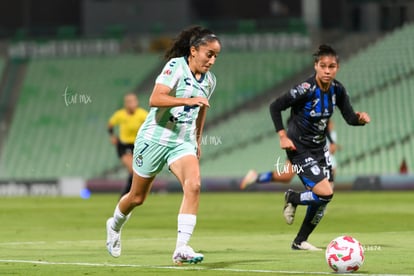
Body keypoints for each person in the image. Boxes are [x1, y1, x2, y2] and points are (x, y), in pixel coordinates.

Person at [106, 25, 221, 264]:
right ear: (193, 51)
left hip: (182, 142)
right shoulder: (175, 66)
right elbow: (155, 99)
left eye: (216, 56)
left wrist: (197, 140)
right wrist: (188, 100)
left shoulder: (210, 81)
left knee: (194, 185)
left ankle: (181, 248)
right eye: (209, 54)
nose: (212, 60)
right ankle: (114, 225)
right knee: (137, 197)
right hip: (154, 138)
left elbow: (202, 110)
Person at [269, 44, 370, 250]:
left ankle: (300, 241)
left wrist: (359, 119)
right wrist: (282, 136)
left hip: (319, 148)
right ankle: (293, 197)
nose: (327, 70)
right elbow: (275, 106)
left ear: (337, 68)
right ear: (315, 66)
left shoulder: (338, 90)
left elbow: (349, 117)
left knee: (324, 198)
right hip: (298, 148)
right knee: (325, 193)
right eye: (323, 66)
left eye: (331, 66)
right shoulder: (305, 89)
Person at [239, 119, 338, 189]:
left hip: (306, 147)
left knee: (286, 177)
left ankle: (256, 177)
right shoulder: (306, 108)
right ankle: (314, 201)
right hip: (301, 148)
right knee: (325, 173)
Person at [108, 93, 148, 197]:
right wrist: (112, 136)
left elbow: (150, 125)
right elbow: (110, 124)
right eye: (129, 102)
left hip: (137, 146)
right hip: (124, 146)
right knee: (133, 169)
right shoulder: (120, 114)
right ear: (126, 104)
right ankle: (127, 195)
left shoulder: (142, 114)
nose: (132, 104)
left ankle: (127, 195)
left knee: (137, 171)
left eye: (134, 101)